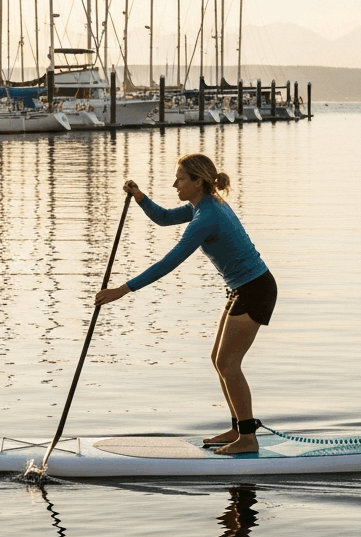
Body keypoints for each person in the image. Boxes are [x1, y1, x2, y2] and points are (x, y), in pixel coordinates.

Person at [95, 153, 277, 455]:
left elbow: (170, 261)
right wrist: (140, 197)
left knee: (229, 363)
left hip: (255, 289)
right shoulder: (203, 206)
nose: (174, 184)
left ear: (197, 182)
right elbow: (165, 218)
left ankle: (248, 437)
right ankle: (238, 427)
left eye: (180, 179)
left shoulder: (207, 217)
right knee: (220, 361)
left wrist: (122, 290)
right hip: (242, 288)